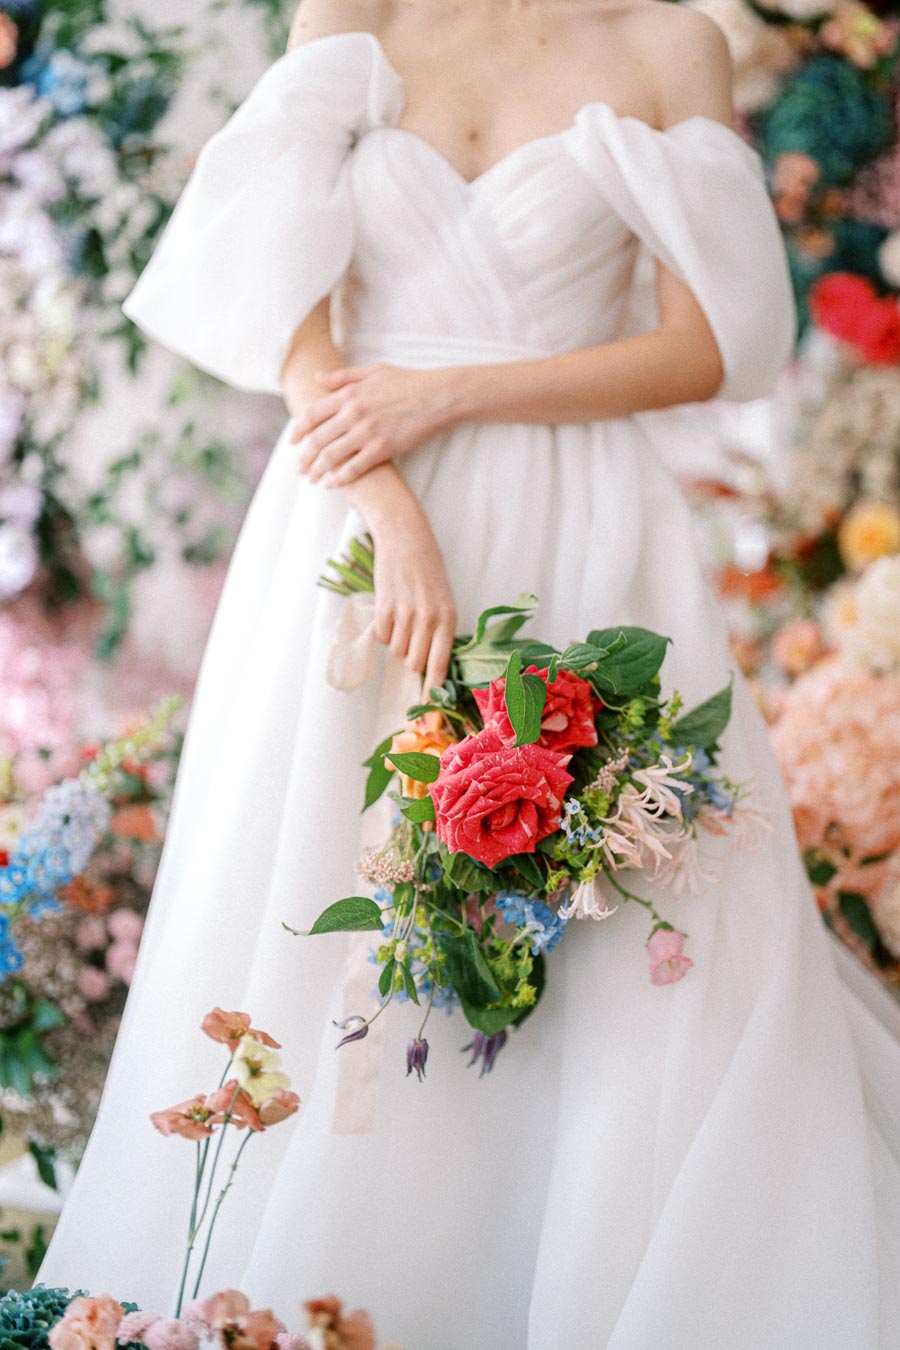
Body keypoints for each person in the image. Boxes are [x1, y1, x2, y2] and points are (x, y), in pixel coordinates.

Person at [36, 2, 900, 1346]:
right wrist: (387, 500)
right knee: (324, 877)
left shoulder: (670, 42)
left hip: (580, 525)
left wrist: (445, 396)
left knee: (605, 905)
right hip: (350, 505)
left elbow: (715, 346)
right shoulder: (357, 11)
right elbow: (278, 293)